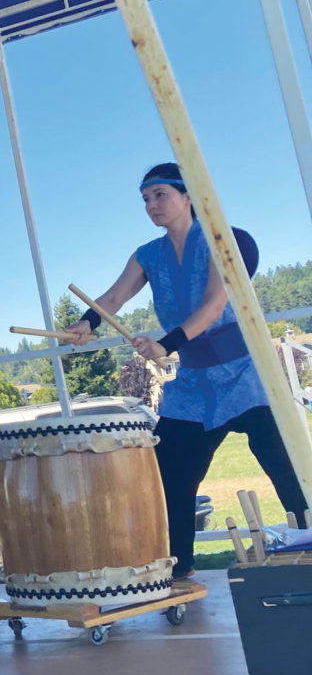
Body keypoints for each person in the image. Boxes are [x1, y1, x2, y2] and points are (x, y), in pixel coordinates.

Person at [64, 162, 307, 579]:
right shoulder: (147, 255)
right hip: (193, 384)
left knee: (283, 463)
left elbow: (213, 307)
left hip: (246, 374)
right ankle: (176, 567)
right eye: (145, 199)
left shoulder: (218, 240)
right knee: (168, 473)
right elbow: (114, 296)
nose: (151, 205)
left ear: (187, 196)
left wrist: (165, 344)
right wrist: (88, 322)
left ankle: (307, 545)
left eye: (160, 195)